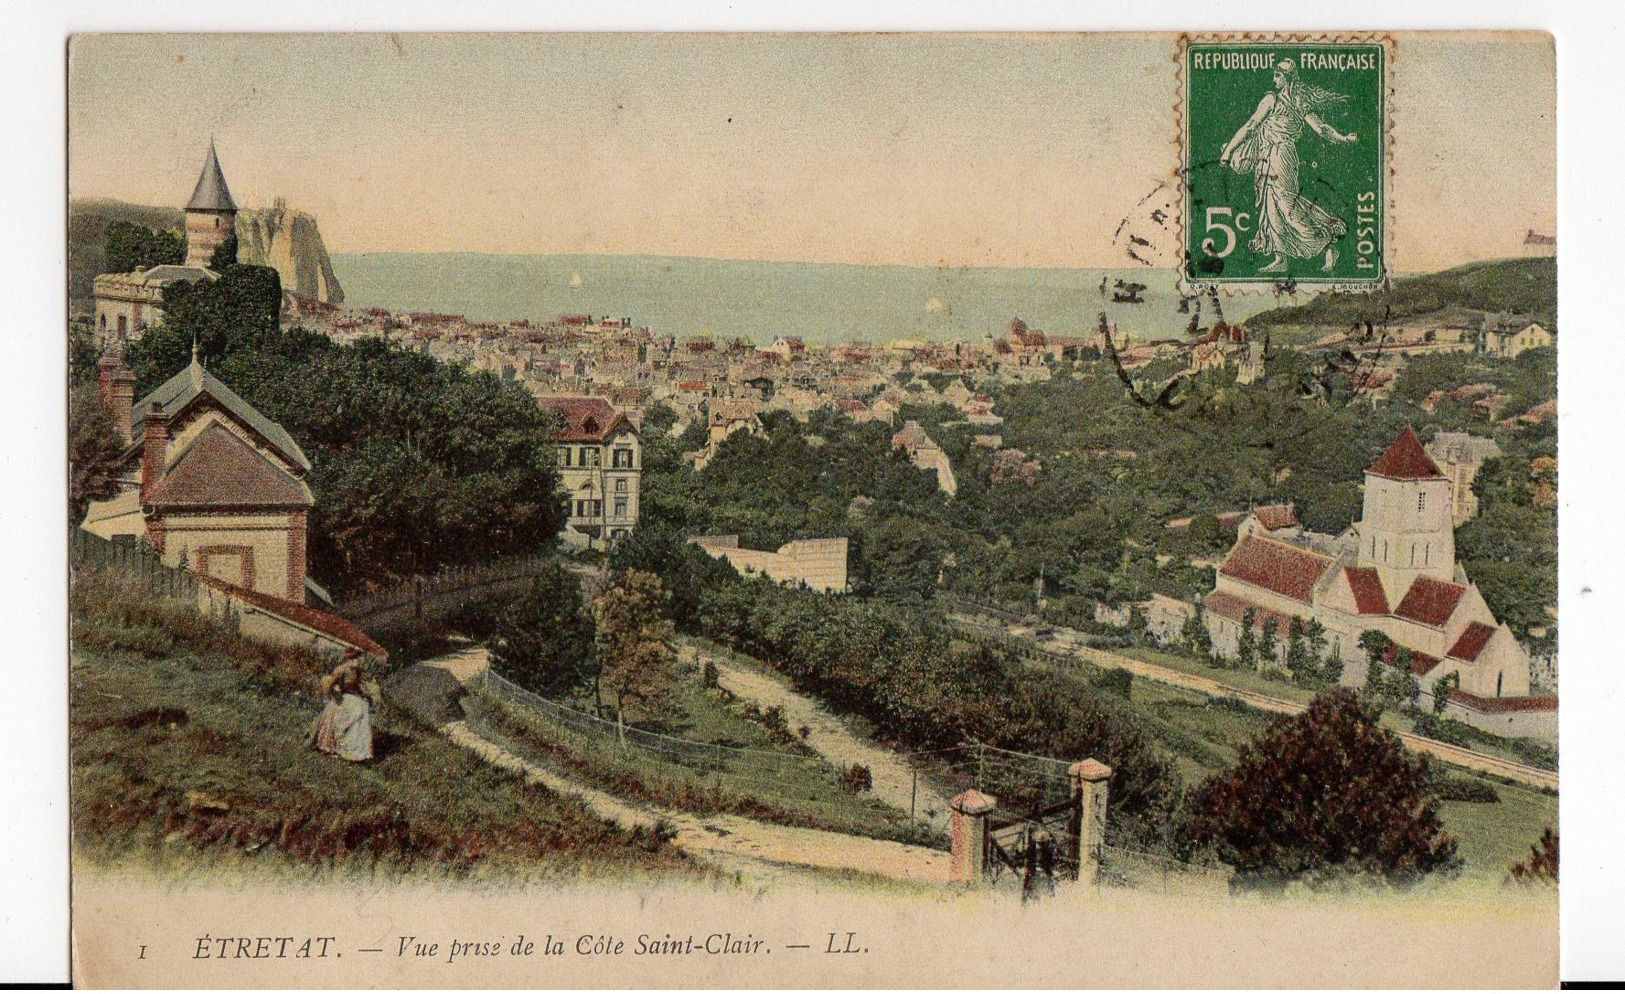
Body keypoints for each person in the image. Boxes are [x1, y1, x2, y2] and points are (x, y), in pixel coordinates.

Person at [1219, 59, 1358, 274]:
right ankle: (1280, 258)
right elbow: (1252, 126)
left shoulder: (1286, 100)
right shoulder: (1276, 99)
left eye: (1277, 75)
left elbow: (1320, 129)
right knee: (1271, 207)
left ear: (1287, 77)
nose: (1274, 79)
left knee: (1286, 206)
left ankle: (1327, 244)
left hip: (1282, 156)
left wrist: (1343, 138)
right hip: (1267, 156)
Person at [308, 660, 379, 762]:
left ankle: (357, 749)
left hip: (352, 699)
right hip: (340, 699)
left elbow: (359, 688)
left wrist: (364, 695)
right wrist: (336, 691)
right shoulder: (340, 670)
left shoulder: (356, 670)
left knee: (361, 707)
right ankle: (339, 746)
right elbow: (330, 688)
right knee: (355, 709)